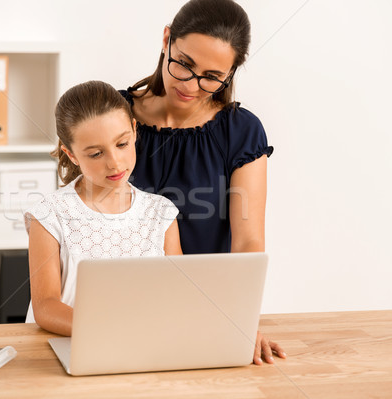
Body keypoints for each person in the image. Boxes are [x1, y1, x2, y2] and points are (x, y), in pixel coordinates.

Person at [122, 0, 285, 364]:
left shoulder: (241, 131)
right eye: (184, 64)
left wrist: (241, 320)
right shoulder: (113, 115)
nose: (192, 86)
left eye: (212, 76)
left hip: (204, 314)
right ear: (167, 40)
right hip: (119, 309)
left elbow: (248, 241)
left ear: (230, 74)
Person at [24, 80, 183, 337]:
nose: (115, 163)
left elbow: (178, 294)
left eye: (122, 144)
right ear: (72, 155)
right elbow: (46, 307)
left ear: (134, 130)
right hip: (71, 346)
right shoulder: (49, 215)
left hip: (143, 346)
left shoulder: (161, 213)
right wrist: (110, 330)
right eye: (96, 154)